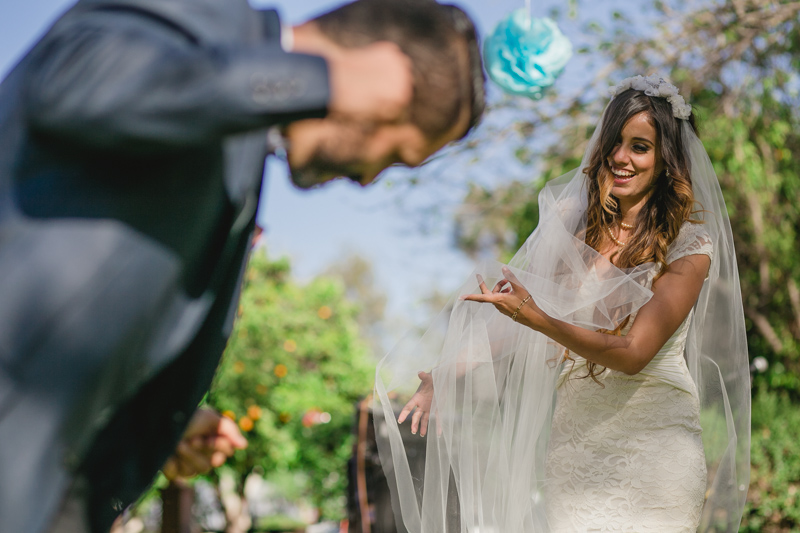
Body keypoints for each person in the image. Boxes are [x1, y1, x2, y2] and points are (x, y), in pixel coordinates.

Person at [0, 0, 485, 531]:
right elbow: (78, 81)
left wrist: (157, 427)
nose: (369, 177)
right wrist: (318, 79)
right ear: (374, 75)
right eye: (393, 152)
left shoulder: (241, 144)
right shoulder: (196, 20)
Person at [375, 75, 750, 532]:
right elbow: (513, 322)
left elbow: (634, 353)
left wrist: (540, 320)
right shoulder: (576, 240)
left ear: (665, 160)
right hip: (576, 451)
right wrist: (446, 372)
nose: (621, 157)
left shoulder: (689, 247)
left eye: (640, 146)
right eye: (615, 143)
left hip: (657, 449)